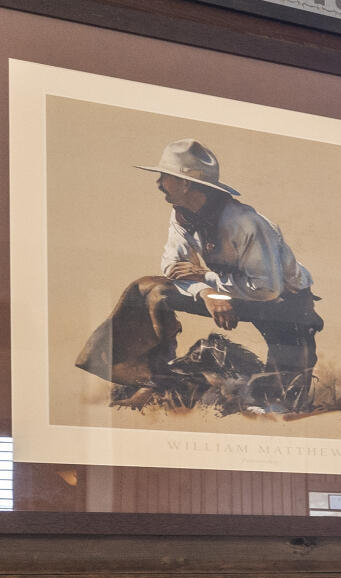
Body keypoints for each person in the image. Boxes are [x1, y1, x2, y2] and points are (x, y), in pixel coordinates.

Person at [75, 140, 323, 413]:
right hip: (229, 293)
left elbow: (266, 290)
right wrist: (207, 293)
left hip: (284, 308)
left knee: (279, 403)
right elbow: (172, 266)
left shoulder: (245, 222)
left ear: (186, 183)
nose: (158, 183)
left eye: (165, 177)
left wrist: (208, 277)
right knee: (149, 289)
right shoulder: (181, 214)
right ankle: (156, 378)